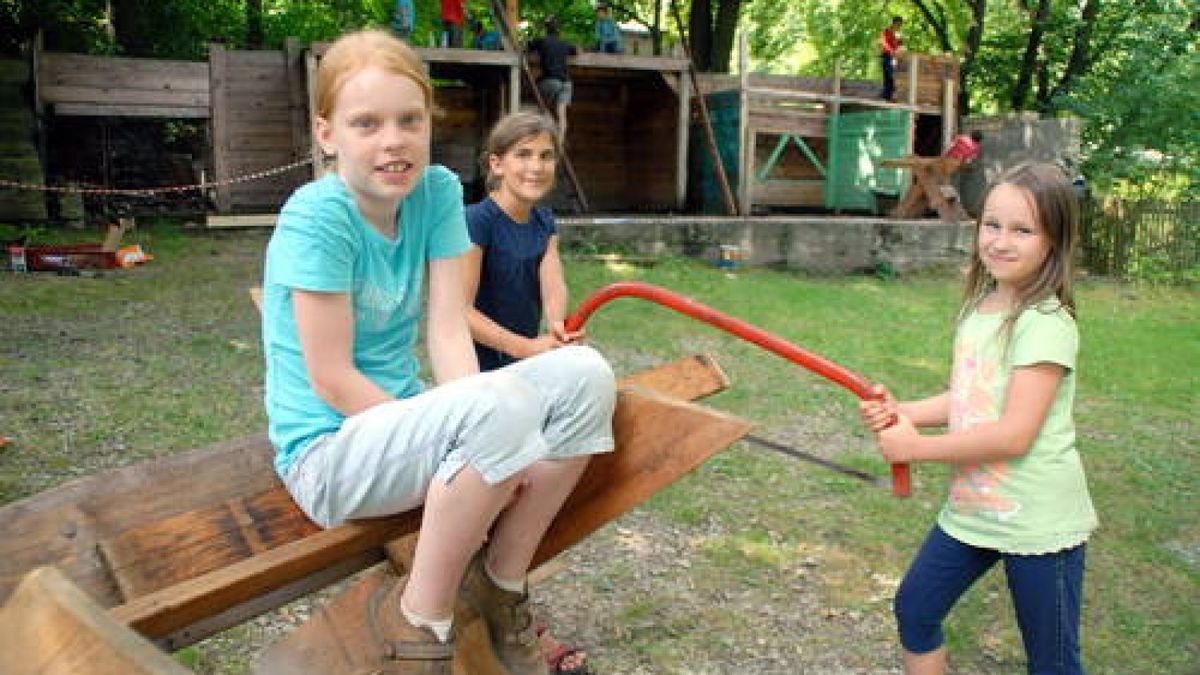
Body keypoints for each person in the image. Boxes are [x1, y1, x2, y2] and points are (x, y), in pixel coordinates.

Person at [261, 29, 616, 674]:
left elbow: (450, 329)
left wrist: (486, 435)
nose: (392, 140)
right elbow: (334, 381)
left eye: (409, 119)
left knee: (585, 374)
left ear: (429, 122)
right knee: (498, 407)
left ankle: (502, 584)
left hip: (402, 428)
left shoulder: (437, 193)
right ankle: (420, 628)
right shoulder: (316, 219)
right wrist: (475, 442)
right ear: (326, 132)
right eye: (366, 123)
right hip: (329, 453)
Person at [859, 161, 1098, 675]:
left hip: (1038, 520)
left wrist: (916, 448)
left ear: (1053, 241)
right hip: (973, 509)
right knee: (916, 610)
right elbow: (967, 398)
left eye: (1022, 230)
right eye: (992, 224)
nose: (1001, 241)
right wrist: (903, 412)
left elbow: (1014, 434)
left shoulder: (1046, 324)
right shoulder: (980, 308)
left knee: (1052, 661)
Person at [463, 109, 592, 674]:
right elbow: (459, 312)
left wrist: (558, 326)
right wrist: (526, 348)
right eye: (522, 155)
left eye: (544, 156)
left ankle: (503, 591)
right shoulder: (477, 221)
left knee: (528, 481)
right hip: (476, 373)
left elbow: (551, 276)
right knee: (489, 484)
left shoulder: (544, 222)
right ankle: (477, 601)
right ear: (497, 164)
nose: (535, 166)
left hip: (523, 366)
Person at [527, 17, 579, 143]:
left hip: (550, 81)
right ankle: (560, 142)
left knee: (542, 107)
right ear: (558, 31)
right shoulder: (564, 44)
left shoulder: (542, 41)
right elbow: (577, 50)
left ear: (546, 30)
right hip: (566, 83)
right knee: (562, 115)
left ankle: (548, 133)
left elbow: (527, 46)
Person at [879, 16, 904, 101]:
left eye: (900, 25)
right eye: (898, 24)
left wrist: (901, 52)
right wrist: (891, 51)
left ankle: (891, 95)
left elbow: (901, 45)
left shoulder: (899, 34)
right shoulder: (886, 31)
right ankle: (886, 95)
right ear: (894, 23)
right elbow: (883, 43)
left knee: (893, 74)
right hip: (887, 56)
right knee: (888, 74)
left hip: (895, 57)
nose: (899, 26)